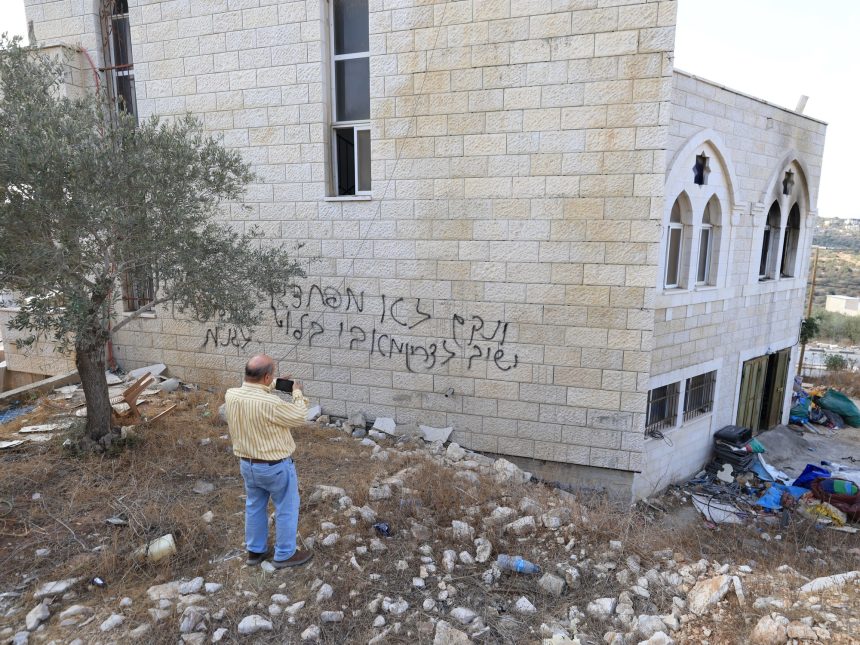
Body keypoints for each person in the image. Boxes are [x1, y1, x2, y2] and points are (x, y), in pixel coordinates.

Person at [224, 354, 313, 568]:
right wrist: (297, 392)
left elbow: (253, 388)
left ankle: (255, 552)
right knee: (286, 507)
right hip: (275, 467)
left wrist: (273, 382)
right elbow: (300, 416)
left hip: (248, 465)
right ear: (265, 377)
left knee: (254, 506)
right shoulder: (272, 403)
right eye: (270, 377)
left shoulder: (231, 395)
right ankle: (285, 554)